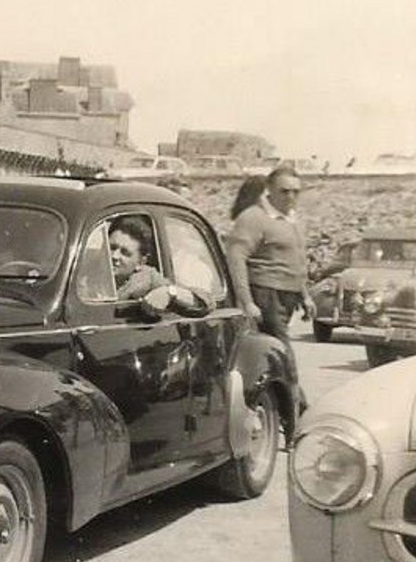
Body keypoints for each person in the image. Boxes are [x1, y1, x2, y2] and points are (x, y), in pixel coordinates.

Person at [225, 164, 314, 396]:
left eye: (296, 192)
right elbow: (236, 258)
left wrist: (305, 296)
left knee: (276, 355)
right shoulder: (253, 218)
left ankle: (287, 402)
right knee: (282, 354)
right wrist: (247, 302)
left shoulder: (291, 219)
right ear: (269, 190)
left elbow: (293, 260)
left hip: (288, 295)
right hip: (267, 294)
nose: (291, 197)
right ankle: (297, 409)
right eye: (285, 191)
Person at [108, 216, 210, 316]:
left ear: (141, 262)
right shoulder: (92, 266)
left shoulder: (147, 277)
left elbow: (205, 302)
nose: (114, 256)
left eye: (125, 253)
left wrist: (169, 292)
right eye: (111, 247)